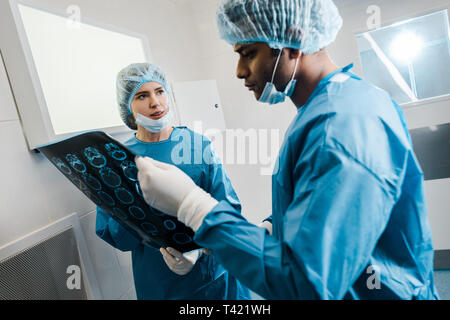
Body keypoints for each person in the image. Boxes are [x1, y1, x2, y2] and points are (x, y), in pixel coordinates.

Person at [135, 0, 439, 300]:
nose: (240, 71)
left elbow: (307, 284)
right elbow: (321, 206)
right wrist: (272, 227)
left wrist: (193, 207)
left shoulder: (341, 126)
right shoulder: (334, 105)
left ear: (293, 40)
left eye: (248, 53)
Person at [95, 62, 250, 300]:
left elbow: (228, 210)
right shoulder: (118, 159)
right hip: (159, 286)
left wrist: (198, 250)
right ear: (127, 105)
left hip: (214, 281)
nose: (155, 103)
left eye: (160, 91)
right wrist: (134, 201)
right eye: (142, 96)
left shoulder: (197, 145)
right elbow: (117, 237)